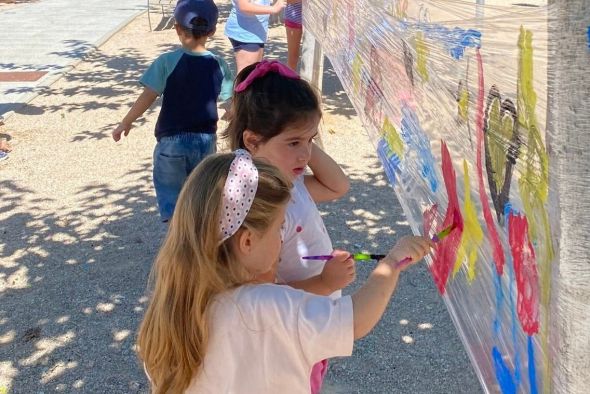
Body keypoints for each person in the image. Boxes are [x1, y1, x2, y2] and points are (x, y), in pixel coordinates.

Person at [137, 150, 433, 393]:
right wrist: (391, 264)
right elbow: (355, 321)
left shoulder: (175, 309)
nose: (282, 238)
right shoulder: (265, 307)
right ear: (248, 241)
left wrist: (320, 282)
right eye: (279, 227)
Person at [223, 59, 351, 393]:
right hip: (290, 325)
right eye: (293, 143)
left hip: (309, 317)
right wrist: (325, 282)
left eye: (312, 140)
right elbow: (259, 298)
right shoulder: (261, 208)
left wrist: (302, 141)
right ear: (252, 141)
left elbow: (339, 186)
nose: (306, 154)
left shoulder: (291, 184)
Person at [112, 0, 233, 222]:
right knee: (202, 199)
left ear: (177, 28)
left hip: (172, 143)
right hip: (206, 141)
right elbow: (230, 104)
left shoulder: (167, 61)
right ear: (213, 31)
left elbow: (147, 96)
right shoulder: (219, 64)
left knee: (173, 205)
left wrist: (126, 122)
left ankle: (177, 245)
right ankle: (200, 244)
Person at [224, 0, 286, 74]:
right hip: (246, 34)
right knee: (246, 77)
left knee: (253, 74)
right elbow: (244, 6)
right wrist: (273, 8)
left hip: (256, 33)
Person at [284, 0, 303, 71]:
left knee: (313, 57)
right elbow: (285, 1)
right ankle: (289, 81)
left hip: (315, 19)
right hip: (295, 18)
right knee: (293, 58)